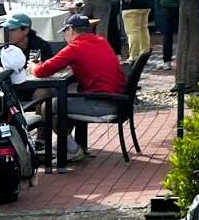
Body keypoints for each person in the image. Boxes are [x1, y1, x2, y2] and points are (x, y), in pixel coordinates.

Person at [30, 14, 128, 161]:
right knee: (67, 96)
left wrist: (33, 66)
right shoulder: (101, 41)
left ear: (71, 30)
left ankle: (71, 149)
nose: (64, 36)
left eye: (65, 32)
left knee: (48, 106)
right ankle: (67, 143)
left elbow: (42, 71)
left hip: (102, 104)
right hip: (117, 100)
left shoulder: (74, 47)